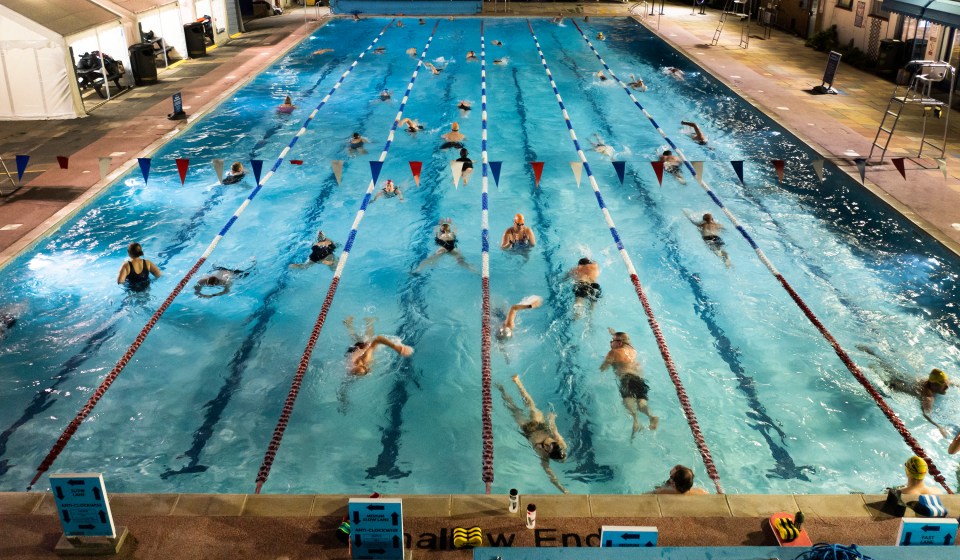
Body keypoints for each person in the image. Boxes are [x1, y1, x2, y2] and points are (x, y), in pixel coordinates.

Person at [497, 375, 568, 493]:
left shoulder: (544, 456)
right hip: (540, 424)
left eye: (549, 447)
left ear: (547, 451)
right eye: (552, 443)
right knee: (531, 405)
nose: (550, 443)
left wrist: (562, 488)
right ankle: (518, 383)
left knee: (513, 409)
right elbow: (554, 430)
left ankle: (502, 390)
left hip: (527, 430)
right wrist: (551, 419)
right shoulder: (560, 442)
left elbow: (551, 476)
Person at [600, 329, 659, 438]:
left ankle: (636, 420)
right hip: (639, 380)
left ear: (619, 343)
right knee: (642, 404)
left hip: (627, 379)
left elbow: (603, 368)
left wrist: (603, 367)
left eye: (611, 341)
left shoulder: (613, 352)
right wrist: (614, 334)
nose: (610, 343)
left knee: (628, 401)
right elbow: (626, 341)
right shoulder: (632, 350)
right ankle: (651, 416)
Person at [887, 368, 956, 438]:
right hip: (893, 386)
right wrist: (938, 426)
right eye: (943, 385)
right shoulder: (928, 396)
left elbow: (953, 383)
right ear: (934, 385)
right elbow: (926, 414)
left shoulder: (938, 383)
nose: (947, 387)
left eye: (946, 383)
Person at [343, 316, 413, 376]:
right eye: (354, 370)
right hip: (351, 353)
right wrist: (396, 347)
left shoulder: (365, 359)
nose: (353, 370)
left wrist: (396, 347)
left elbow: (378, 339)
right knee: (360, 339)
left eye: (354, 370)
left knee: (367, 340)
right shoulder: (360, 363)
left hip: (357, 350)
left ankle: (368, 321)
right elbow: (378, 339)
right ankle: (352, 324)